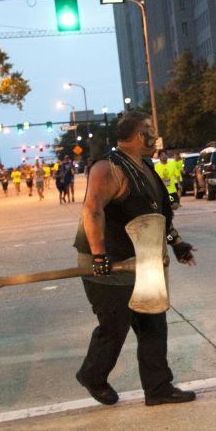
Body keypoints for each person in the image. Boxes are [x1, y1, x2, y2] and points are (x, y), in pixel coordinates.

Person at [73, 111, 197, 407]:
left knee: (154, 322)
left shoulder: (146, 167)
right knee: (115, 326)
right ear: (139, 135)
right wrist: (100, 255)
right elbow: (92, 211)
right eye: (150, 130)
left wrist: (176, 243)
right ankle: (93, 375)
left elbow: (157, 215)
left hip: (144, 261)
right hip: (110, 263)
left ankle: (158, 388)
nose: (155, 135)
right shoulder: (108, 168)